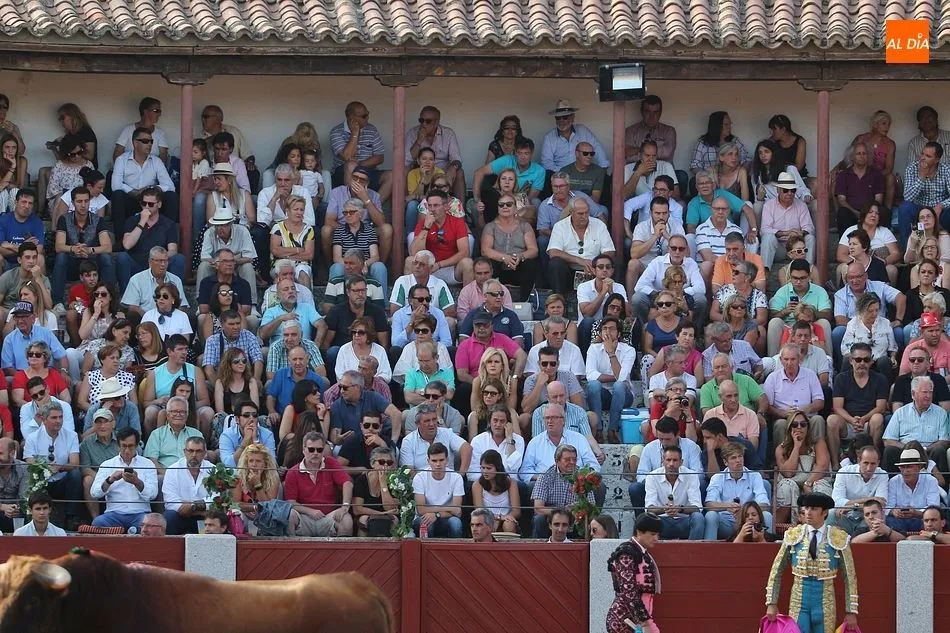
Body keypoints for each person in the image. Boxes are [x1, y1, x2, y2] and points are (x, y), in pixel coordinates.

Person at [765, 492, 859, 633]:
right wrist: (771, 603)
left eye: (814, 509)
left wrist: (851, 611)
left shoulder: (838, 537)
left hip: (825, 603)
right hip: (798, 602)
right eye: (807, 508)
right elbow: (776, 570)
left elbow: (850, 576)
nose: (808, 512)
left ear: (824, 512)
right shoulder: (793, 535)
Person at [827, 343, 888, 467]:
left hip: (868, 422)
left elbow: (881, 407)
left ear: (871, 361)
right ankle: (835, 464)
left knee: (878, 418)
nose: (862, 363)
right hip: (847, 422)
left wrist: (864, 419)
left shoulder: (880, 379)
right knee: (832, 420)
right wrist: (852, 420)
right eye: (858, 359)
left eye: (866, 359)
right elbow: (837, 407)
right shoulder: (841, 378)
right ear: (851, 360)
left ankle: (873, 462)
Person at [284, 431, 354, 537]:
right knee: (289, 516)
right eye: (311, 449)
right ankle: (291, 548)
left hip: (329, 517)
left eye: (319, 450)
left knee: (346, 519)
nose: (315, 453)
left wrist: (345, 507)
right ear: (303, 450)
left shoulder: (331, 463)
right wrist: (310, 511)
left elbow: (347, 483)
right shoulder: (293, 472)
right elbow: (290, 502)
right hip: (304, 518)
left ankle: (342, 549)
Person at [24, 401, 81, 527]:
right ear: (44, 420)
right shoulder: (32, 438)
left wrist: (59, 467)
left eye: (60, 417)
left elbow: (75, 463)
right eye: (54, 418)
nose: (58, 421)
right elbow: (30, 462)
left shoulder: (71, 435)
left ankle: (71, 517)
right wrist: (46, 468)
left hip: (62, 481)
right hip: (42, 481)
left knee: (76, 474)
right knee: (31, 477)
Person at [605, 513, 663, 633]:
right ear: (639, 532)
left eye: (657, 534)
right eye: (652, 534)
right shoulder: (626, 553)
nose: (656, 539)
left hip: (637, 620)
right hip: (624, 622)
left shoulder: (640, 552)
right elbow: (628, 591)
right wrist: (644, 623)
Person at [89, 428, 157, 530]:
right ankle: (130, 531)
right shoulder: (107, 464)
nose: (127, 450)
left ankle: (123, 531)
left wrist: (137, 482)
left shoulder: (148, 464)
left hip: (140, 513)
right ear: (118, 445)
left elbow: (153, 494)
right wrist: (110, 480)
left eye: (131, 446)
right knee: (98, 523)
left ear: (137, 445)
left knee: (149, 525)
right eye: (124, 446)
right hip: (114, 514)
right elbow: (94, 493)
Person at [546, 196, 615, 296]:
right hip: (569, 270)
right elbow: (553, 252)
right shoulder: (560, 226)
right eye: (580, 213)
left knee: (615, 262)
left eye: (587, 212)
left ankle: (611, 296)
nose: (585, 216)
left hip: (594, 271)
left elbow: (610, 251)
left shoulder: (599, 225)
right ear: (571, 212)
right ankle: (559, 298)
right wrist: (579, 260)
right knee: (555, 263)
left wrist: (596, 265)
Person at [703, 441, 771, 540]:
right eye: (733, 458)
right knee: (711, 515)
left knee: (767, 515)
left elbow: (765, 505)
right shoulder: (717, 477)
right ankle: (709, 548)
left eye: (740, 456)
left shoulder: (755, 476)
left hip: (749, 522)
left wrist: (744, 511)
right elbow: (709, 504)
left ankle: (768, 546)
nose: (738, 460)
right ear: (725, 462)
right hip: (727, 523)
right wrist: (728, 506)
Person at [774, 410, 833, 525]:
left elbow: (822, 466)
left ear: (808, 427)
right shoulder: (781, 448)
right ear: (789, 428)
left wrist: (808, 483)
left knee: (820, 485)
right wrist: (796, 446)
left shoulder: (818, 443)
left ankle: (824, 525)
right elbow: (788, 473)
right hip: (793, 481)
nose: (799, 427)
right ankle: (788, 526)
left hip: (813, 479)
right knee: (787, 486)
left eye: (803, 424)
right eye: (794, 425)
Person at [118, 190, 185, 289]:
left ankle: (175, 294)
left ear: (159, 204)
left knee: (179, 259)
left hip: (159, 264)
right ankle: (126, 295)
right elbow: (127, 245)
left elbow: (173, 250)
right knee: (122, 257)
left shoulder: (168, 224)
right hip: (137, 263)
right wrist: (142, 222)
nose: (146, 207)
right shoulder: (132, 221)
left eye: (150, 204)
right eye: (143, 203)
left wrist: (159, 259)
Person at [111, 127, 177, 229]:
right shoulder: (121, 160)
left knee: (171, 196)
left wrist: (150, 189)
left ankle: (169, 234)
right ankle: (120, 237)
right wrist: (132, 191)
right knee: (117, 195)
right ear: (135, 143)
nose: (150, 144)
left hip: (151, 202)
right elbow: (115, 185)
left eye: (151, 141)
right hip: (131, 200)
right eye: (145, 141)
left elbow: (170, 186)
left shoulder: (156, 161)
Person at [586, 316, 637, 442]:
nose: (608, 332)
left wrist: (611, 353)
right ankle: (598, 430)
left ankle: (612, 430)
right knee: (593, 385)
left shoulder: (629, 350)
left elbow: (621, 378)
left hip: (624, 396)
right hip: (601, 396)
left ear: (618, 333)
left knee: (619, 386)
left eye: (612, 329)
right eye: (604, 329)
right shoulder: (593, 349)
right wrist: (614, 378)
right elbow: (590, 375)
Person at [328, 101, 392, 201]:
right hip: (343, 173)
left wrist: (361, 165)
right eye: (364, 116)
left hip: (367, 170)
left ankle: (372, 207)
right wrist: (355, 133)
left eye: (367, 114)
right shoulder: (336, 132)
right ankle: (352, 205)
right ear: (351, 119)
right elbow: (347, 157)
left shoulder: (371, 129)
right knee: (351, 165)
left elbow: (380, 157)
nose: (367, 118)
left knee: (391, 175)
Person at [481, 193, 540, 299]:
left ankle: (525, 301)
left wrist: (520, 256)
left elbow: (533, 250)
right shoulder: (490, 226)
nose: (505, 207)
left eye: (509, 204)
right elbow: (485, 250)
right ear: (498, 208)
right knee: (488, 263)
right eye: (501, 205)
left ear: (515, 208)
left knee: (530, 264)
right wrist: (504, 258)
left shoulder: (525, 226)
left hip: (518, 266)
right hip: (498, 267)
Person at [529, 443, 594, 538]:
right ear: (557, 461)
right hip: (552, 516)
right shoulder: (545, 477)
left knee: (587, 519)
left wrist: (577, 509)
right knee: (539, 519)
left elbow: (591, 505)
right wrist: (561, 511)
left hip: (575, 516)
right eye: (567, 460)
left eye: (574, 459)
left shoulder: (583, 476)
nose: (572, 462)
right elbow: (538, 508)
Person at [643, 444, 704, 540]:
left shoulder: (691, 475)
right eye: (668, 460)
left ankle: (693, 548)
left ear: (681, 462)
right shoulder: (652, 476)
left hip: (684, 520)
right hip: (662, 521)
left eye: (675, 460)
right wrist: (665, 509)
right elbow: (649, 508)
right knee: (647, 518)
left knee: (698, 517)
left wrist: (679, 509)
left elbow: (697, 507)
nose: (671, 464)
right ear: (663, 461)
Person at [830, 445, 889, 536]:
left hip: (867, 518)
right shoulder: (844, 472)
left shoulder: (882, 475)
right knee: (831, 514)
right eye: (866, 463)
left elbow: (881, 504)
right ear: (858, 461)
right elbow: (837, 502)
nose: (869, 468)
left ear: (878, 463)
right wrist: (870, 499)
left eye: (873, 464)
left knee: (878, 518)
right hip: (845, 516)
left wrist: (853, 506)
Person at [886, 448, 942, 534]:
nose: (905, 471)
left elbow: (934, 507)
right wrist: (894, 511)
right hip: (899, 520)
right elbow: (888, 506)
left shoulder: (931, 481)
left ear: (919, 467)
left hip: (921, 519)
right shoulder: (894, 481)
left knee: (930, 522)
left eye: (909, 467)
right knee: (890, 521)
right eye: (902, 467)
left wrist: (917, 513)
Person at [351, 445, 398, 537]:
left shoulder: (394, 481)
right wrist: (380, 514)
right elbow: (357, 509)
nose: (385, 466)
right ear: (372, 464)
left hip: (387, 516)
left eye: (389, 463)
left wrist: (383, 484)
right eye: (381, 462)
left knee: (394, 520)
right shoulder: (361, 480)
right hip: (366, 515)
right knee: (364, 520)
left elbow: (390, 508)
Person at [0, 190, 45, 274]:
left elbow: (38, 250)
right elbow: (1, 250)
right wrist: (27, 246)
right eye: (24, 202)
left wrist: (12, 246)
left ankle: (37, 283)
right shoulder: (3, 220)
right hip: (7, 262)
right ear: (16, 202)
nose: (27, 206)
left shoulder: (37, 222)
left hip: (27, 262)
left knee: (40, 258)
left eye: (30, 203)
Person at [0, 437, 26, 532]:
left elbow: (24, 497)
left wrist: (14, 508)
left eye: (0, 453)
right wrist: (2, 507)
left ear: (12, 453)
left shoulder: (24, 469)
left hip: (16, 511)